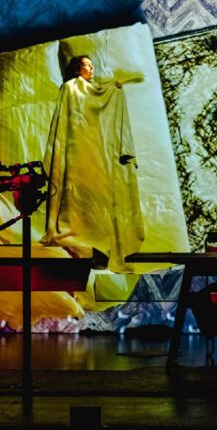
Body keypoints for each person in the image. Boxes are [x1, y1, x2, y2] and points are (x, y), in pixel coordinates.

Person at [43, 54, 145, 273]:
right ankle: (82, 253)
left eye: (92, 66)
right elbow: (66, 120)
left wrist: (115, 88)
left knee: (101, 203)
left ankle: (101, 252)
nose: (91, 69)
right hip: (76, 151)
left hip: (96, 152)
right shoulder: (70, 88)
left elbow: (100, 98)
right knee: (77, 202)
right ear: (77, 69)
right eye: (86, 66)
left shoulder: (96, 90)